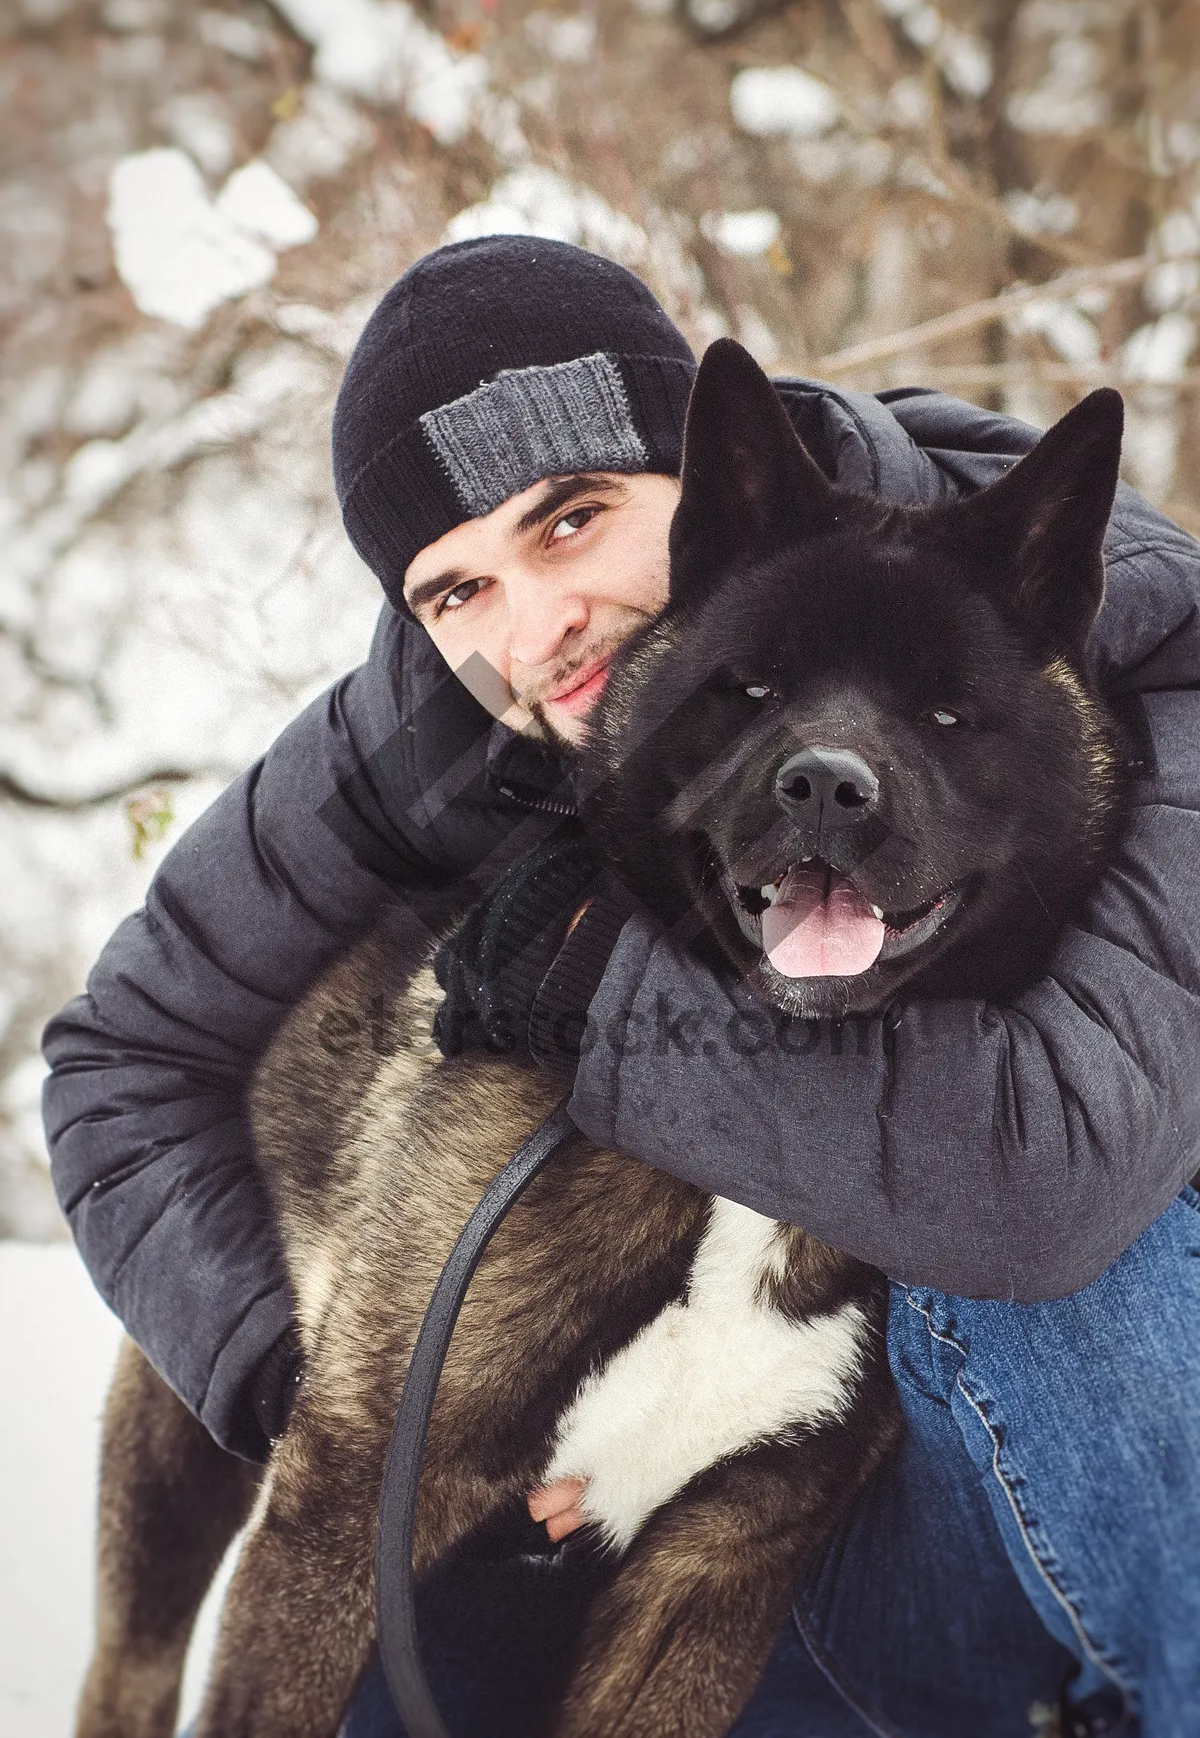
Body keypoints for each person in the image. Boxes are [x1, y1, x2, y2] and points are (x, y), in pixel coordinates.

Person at [43, 236, 1200, 1738]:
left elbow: (1051, 1181)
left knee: (1110, 1241)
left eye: (572, 520)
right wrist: (319, 1395)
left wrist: (589, 980)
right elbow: (124, 1056)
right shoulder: (436, 724)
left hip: (1012, 1522)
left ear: (714, 480)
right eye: (455, 589)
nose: (536, 632)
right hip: (639, 1503)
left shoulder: (1134, 656)